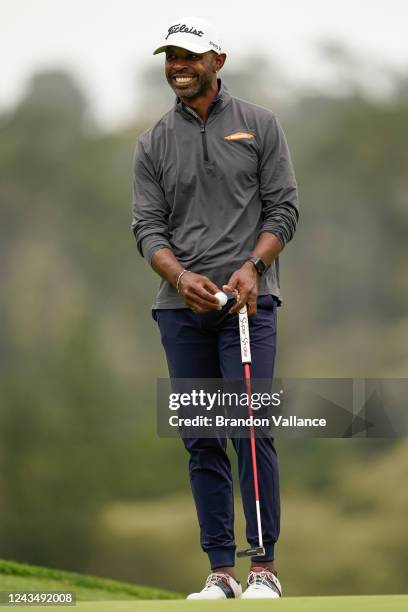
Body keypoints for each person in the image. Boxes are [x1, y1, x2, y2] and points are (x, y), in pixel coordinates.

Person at [131, 16, 299, 600]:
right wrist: (178, 277)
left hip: (249, 305)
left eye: (190, 57)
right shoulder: (153, 141)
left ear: (217, 62)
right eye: (170, 57)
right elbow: (147, 229)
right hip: (181, 310)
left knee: (248, 429)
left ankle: (265, 570)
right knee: (202, 436)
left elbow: (284, 210)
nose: (178, 66)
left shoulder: (259, 125)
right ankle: (222, 573)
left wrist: (253, 266)